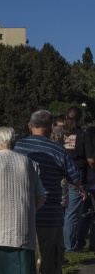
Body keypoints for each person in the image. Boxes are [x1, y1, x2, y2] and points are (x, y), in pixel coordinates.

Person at [14, 110, 86, 274]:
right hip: (49, 211)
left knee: (22, 259)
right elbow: (76, 179)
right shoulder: (59, 150)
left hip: (21, 211)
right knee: (50, 261)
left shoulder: (17, 147)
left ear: (29, 125)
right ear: (51, 127)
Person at [0, 127, 46, 274]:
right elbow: (41, 197)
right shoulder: (30, 163)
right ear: (14, 142)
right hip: (23, 229)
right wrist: (28, 210)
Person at [62, 106, 87, 252]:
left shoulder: (63, 134)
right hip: (76, 176)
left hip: (61, 174)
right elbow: (86, 156)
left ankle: (65, 243)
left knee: (65, 212)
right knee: (72, 213)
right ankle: (69, 245)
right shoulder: (81, 135)